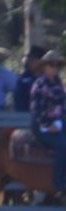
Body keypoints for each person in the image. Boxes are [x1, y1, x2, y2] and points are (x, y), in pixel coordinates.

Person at [29, 50, 66, 197]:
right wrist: (46, 125)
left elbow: (63, 106)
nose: (54, 68)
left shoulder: (58, 84)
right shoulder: (39, 84)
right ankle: (58, 181)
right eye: (51, 65)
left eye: (57, 65)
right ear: (44, 67)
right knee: (62, 145)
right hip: (42, 126)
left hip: (59, 123)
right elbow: (36, 110)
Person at [15, 44, 46, 113]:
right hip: (26, 118)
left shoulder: (49, 78)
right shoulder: (23, 79)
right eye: (29, 58)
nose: (30, 61)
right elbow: (19, 104)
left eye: (33, 58)